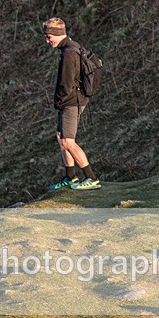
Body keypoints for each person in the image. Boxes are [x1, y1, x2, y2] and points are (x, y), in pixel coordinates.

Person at [42, 17, 101, 192]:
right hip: (71, 100)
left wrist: (59, 101)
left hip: (71, 102)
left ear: (57, 34)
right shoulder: (70, 48)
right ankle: (70, 176)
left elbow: (66, 84)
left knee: (68, 141)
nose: (47, 40)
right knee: (61, 137)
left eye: (48, 36)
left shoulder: (69, 53)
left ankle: (91, 178)